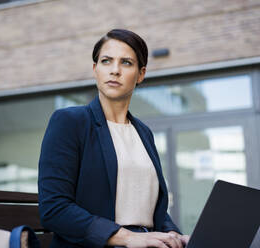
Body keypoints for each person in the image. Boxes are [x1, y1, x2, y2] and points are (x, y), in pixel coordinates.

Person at [38, 29, 189, 248]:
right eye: (106, 61)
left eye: (126, 63)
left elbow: (149, 210)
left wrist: (173, 234)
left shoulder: (143, 132)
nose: (115, 70)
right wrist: (129, 237)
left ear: (141, 74)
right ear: (95, 69)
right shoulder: (71, 121)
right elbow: (54, 208)